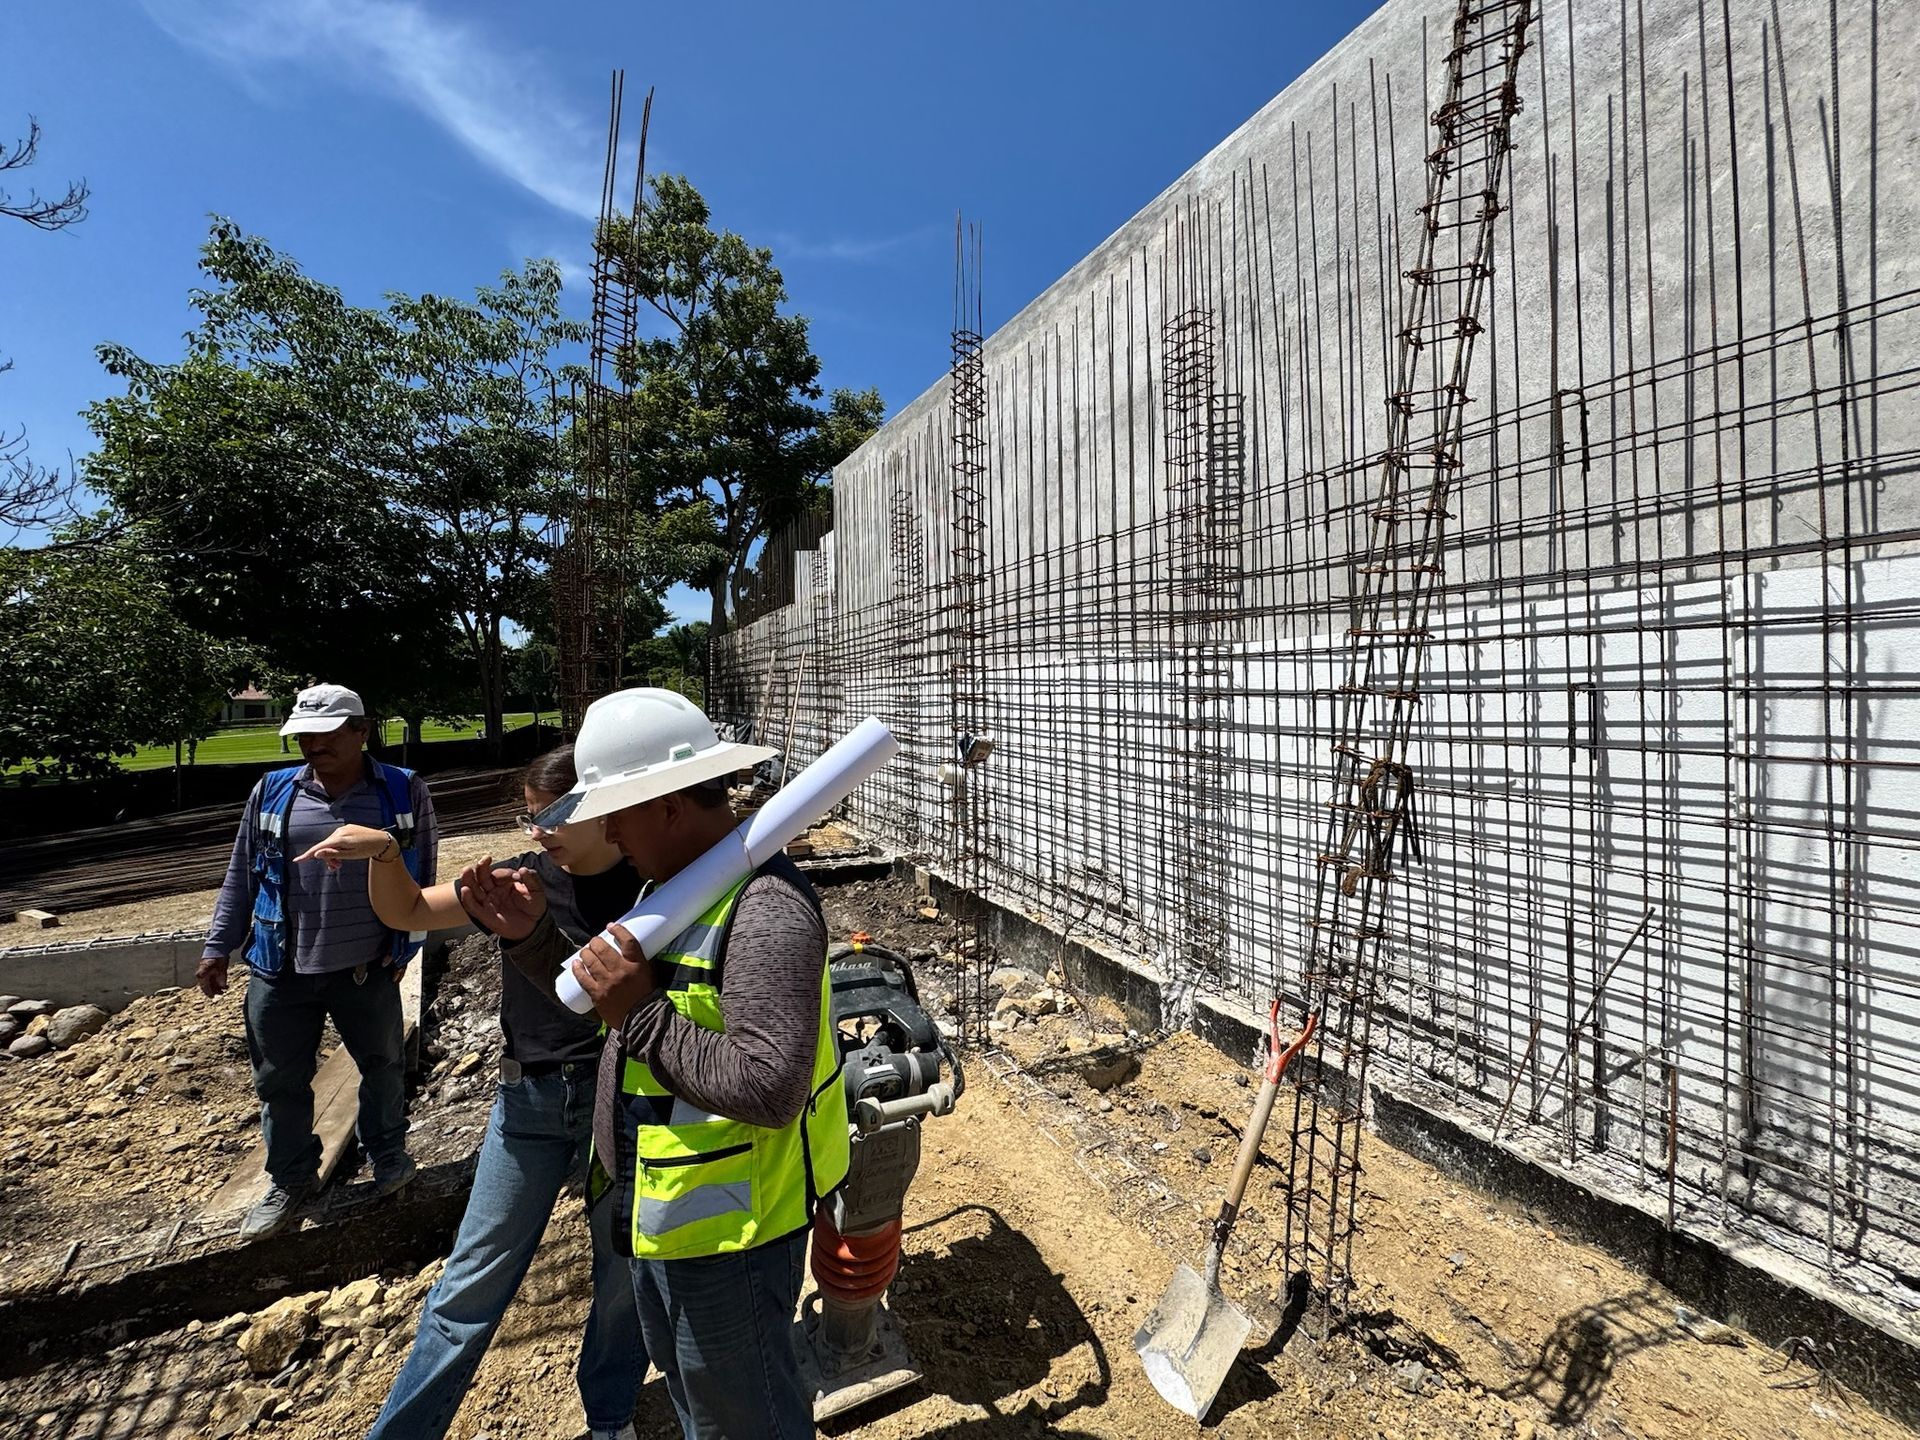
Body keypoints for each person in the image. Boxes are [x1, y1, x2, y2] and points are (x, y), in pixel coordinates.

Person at [459, 688, 850, 1440]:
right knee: (697, 1402)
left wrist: (639, 1013)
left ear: (669, 805)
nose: (603, 829)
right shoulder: (673, 887)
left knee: (744, 1421)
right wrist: (535, 942)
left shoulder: (765, 906)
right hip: (667, 1216)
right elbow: (603, 997)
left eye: (615, 809)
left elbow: (769, 1088)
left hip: (731, 1238)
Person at [295, 744, 647, 1440]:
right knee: (469, 1287)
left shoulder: (653, 888)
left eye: (555, 816)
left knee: (623, 1282)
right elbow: (405, 913)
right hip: (529, 1107)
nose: (539, 832)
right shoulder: (516, 883)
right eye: (530, 818)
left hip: (621, 1100)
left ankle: (610, 1418)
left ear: (607, 810)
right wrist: (385, 855)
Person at [198, 682, 436, 1241]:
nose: (312, 744)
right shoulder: (272, 792)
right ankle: (290, 1178)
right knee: (279, 1081)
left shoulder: (402, 792)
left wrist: (405, 945)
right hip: (279, 969)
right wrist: (218, 946)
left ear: (361, 731)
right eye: (304, 734)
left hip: (365, 967)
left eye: (326, 733)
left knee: (381, 1064)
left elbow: (422, 869)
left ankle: (389, 1156)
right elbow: (243, 872)